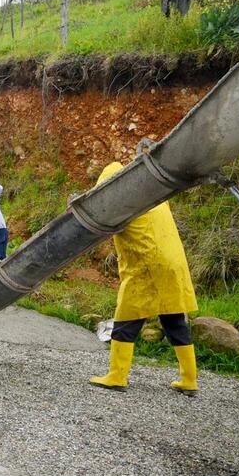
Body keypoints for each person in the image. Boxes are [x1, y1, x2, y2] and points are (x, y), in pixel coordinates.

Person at [89, 161, 198, 395]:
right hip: (174, 265)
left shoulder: (124, 203)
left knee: (125, 321)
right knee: (174, 321)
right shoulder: (155, 196)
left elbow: (98, 221)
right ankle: (189, 380)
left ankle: (117, 376)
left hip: (147, 266)